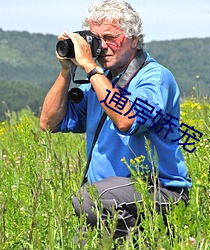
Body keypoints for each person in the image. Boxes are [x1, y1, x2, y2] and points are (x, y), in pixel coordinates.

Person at [40, 0, 192, 244]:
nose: (102, 47)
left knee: (88, 200)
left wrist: (90, 67)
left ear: (133, 39)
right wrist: (66, 70)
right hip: (110, 199)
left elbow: (127, 120)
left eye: (110, 37)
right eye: (96, 39)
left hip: (159, 191)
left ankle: (146, 241)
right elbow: (49, 123)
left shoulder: (154, 77)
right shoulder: (100, 83)